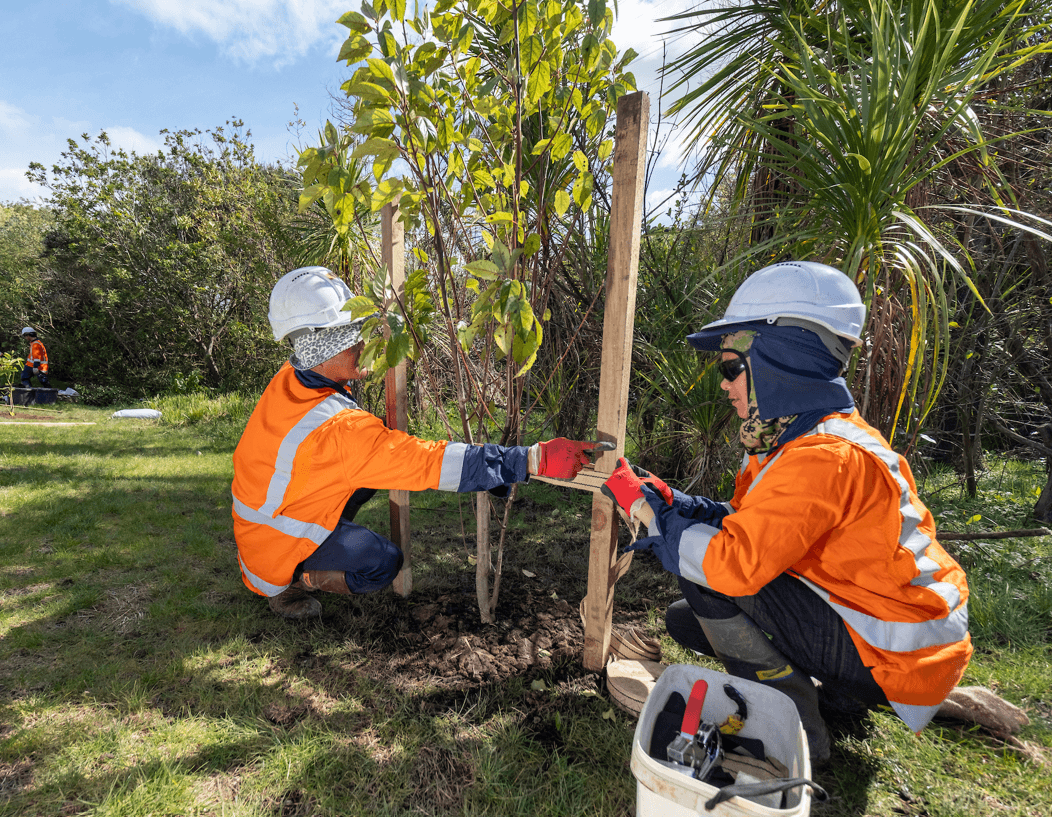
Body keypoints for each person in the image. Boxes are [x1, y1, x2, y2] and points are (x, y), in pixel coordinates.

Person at [602, 260, 972, 765]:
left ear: (781, 360)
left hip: (900, 653)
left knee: (709, 580)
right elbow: (748, 522)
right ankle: (840, 697)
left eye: (732, 368)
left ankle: (798, 732)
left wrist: (651, 516)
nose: (726, 385)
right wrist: (677, 503)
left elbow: (732, 564)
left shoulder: (821, 457)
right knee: (687, 623)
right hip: (880, 630)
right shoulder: (792, 440)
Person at [232, 266, 602, 620]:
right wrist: (532, 459)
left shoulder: (291, 379)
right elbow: (430, 463)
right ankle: (295, 583)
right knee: (383, 562)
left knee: (366, 479)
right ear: (320, 349)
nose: (365, 344)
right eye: (350, 339)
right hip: (274, 552)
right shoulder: (341, 431)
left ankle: (303, 562)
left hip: (262, 528)